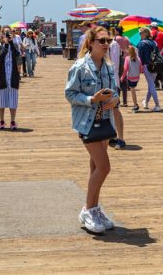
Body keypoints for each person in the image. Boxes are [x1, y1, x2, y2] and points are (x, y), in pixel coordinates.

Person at [65, 25, 120, 235]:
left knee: (95, 168)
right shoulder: (80, 67)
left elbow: (115, 91)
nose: (106, 45)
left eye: (108, 41)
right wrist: (92, 99)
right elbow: (70, 94)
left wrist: (113, 100)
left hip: (105, 122)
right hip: (87, 122)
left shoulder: (107, 66)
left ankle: (94, 208)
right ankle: (88, 210)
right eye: (102, 41)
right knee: (104, 167)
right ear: (91, 43)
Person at [0, 29, 22, 129]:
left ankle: (13, 121)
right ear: (2, 35)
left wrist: (11, 43)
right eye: (5, 33)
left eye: (9, 33)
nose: (7, 35)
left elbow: (18, 55)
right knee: (1, 101)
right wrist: (6, 44)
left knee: (13, 101)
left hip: (12, 77)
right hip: (2, 77)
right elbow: (0, 56)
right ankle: (2, 121)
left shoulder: (14, 45)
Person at [137, 28, 161, 111]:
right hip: (156, 65)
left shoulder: (141, 44)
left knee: (151, 85)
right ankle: (146, 102)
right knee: (151, 85)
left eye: (140, 33)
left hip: (147, 66)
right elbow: (158, 54)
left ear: (144, 34)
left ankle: (157, 105)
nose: (140, 35)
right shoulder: (154, 42)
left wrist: (140, 68)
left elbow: (140, 57)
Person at [122, 43, 142, 111]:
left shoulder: (127, 58)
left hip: (130, 78)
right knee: (133, 90)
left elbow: (125, 69)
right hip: (137, 78)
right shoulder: (138, 58)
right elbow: (141, 69)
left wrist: (122, 77)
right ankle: (135, 104)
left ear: (128, 51)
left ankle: (135, 105)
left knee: (132, 91)